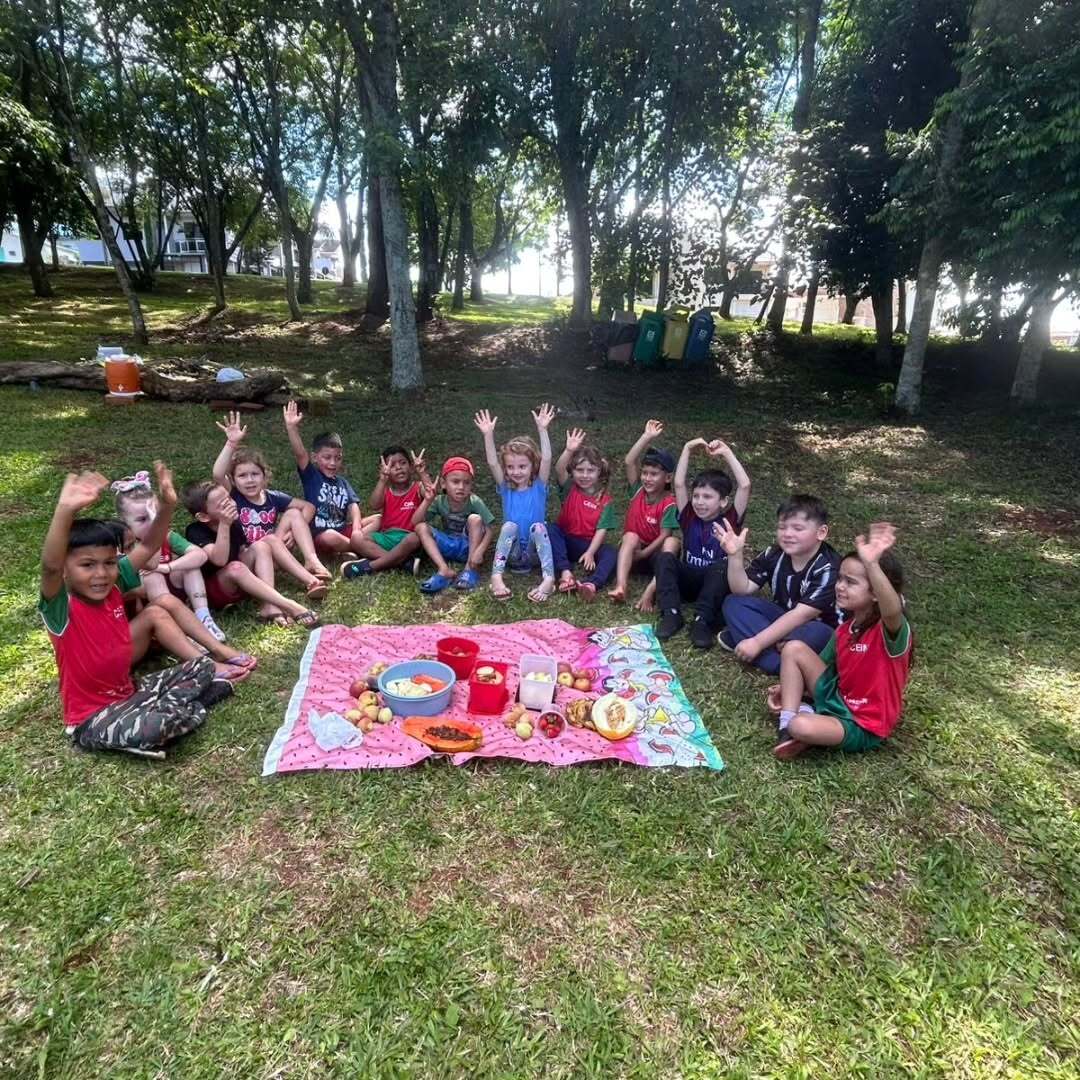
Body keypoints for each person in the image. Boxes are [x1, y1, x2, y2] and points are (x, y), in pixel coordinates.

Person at [38, 464, 249, 758]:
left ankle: (164, 705)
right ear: (65, 570)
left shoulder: (115, 584)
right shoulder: (61, 607)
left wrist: (167, 505)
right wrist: (65, 510)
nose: (101, 574)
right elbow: (49, 567)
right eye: (87, 565)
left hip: (132, 692)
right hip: (93, 718)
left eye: (109, 563)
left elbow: (149, 545)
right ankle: (184, 707)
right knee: (160, 725)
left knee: (203, 666)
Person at [770, 523, 911, 761]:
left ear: (876, 593)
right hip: (836, 698)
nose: (840, 587)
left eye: (851, 582)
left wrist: (872, 564)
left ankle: (803, 722)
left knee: (801, 725)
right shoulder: (844, 630)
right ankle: (786, 727)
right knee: (793, 649)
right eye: (839, 579)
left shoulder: (890, 630)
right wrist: (789, 689)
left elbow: (892, 610)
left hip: (861, 723)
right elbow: (821, 670)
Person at [718, 493, 840, 673]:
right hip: (783, 621)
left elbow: (801, 615)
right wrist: (735, 556)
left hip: (817, 628)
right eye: (782, 527)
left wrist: (757, 641)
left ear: (821, 532)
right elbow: (742, 589)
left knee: (818, 632)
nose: (788, 534)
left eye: (798, 528)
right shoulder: (774, 554)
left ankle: (772, 659)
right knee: (733, 603)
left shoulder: (828, 567)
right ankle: (783, 656)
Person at [213, 411, 329, 600]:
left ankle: (311, 560)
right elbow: (218, 474)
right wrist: (231, 443)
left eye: (255, 474)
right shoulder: (234, 496)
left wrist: (293, 534)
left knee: (293, 514)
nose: (250, 480)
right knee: (268, 541)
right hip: (249, 558)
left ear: (264, 476)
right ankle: (310, 581)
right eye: (242, 476)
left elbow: (309, 507)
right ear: (233, 480)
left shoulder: (272, 497)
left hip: (274, 554)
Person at [183, 480, 321, 629]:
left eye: (229, 499)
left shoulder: (234, 523)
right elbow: (219, 560)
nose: (231, 505)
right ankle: (289, 605)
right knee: (235, 567)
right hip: (214, 591)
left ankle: (269, 604)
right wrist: (224, 525)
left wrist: (263, 556)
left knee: (260, 545)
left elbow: (243, 550)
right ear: (204, 517)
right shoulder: (195, 531)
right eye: (223, 505)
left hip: (241, 581)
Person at [654, 437, 751, 647]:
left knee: (722, 566)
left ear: (723, 501)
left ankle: (702, 621)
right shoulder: (689, 516)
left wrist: (727, 452)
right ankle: (671, 613)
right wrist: (687, 448)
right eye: (696, 496)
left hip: (715, 586)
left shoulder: (730, 520)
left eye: (707, 497)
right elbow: (678, 484)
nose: (699, 502)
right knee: (664, 558)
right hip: (689, 582)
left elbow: (745, 486)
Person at [113, 471, 227, 642]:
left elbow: (200, 555)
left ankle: (203, 617)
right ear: (123, 521)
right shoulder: (123, 546)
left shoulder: (167, 536)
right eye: (142, 519)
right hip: (148, 608)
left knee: (190, 567)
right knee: (153, 576)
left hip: (173, 592)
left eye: (155, 515)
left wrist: (168, 567)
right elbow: (142, 571)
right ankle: (176, 629)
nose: (152, 523)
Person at [474, 404, 557, 602]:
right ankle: (496, 576)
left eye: (522, 466)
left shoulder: (539, 486)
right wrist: (488, 435)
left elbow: (547, 459)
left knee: (539, 527)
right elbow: (493, 462)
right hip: (512, 554)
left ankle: (549, 578)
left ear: (532, 466)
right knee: (509, 526)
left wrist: (542, 430)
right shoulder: (506, 488)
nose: (516, 471)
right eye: (510, 467)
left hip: (535, 554)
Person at [607, 419, 678, 609]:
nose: (647, 478)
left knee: (672, 542)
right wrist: (646, 437)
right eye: (645, 473)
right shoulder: (637, 490)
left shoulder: (670, 503)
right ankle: (621, 586)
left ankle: (651, 591)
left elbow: (664, 535)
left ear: (668, 478)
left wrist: (645, 554)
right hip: (632, 554)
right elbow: (629, 461)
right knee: (630, 536)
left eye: (654, 474)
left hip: (655, 557)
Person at [281, 400, 364, 558]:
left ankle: (349, 547)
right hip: (321, 535)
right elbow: (300, 454)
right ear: (314, 457)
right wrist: (292, 428)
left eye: (337, 458)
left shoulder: (343, 483)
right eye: (327, 457)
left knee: (377, 520)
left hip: (342, 530)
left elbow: (353, 506)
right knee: (330, 537)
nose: (333, 463)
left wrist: (356, 529)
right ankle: (360, 548)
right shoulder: (312, 476)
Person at [548, 427, 617, 600]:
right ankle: (565, 573)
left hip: (587, 545)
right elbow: (559, 469)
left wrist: (591, 552)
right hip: (565, 541)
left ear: (599, 472)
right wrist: (569, 450)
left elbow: (601, 530)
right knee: (551, 529)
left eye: (590, 470)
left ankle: (591, 584)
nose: (585, 475)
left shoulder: (605, 500)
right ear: (572, 472)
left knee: (611, 553)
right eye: (580, 470)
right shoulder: (569, 489)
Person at [412, 456, 495, 593]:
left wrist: (479, 552)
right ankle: (444, 569)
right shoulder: (439, 501)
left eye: (466, 483)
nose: (461, 487)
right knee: (421, 527)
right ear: (443, 484)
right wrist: (427, 501)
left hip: (469, 548)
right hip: (449, 545)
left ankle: (470, 569)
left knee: (474, 519)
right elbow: (415, 522)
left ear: (471, 485)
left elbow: (490, 528)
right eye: (455, 482)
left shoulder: (474, 501)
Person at [341, 445, 426, 578]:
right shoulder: (386, 491)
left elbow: (430, 493)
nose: (398, 467)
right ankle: (402, 563)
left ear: (411, 467)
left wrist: (422, 473)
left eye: (403, 463)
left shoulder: (418, 487)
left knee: (415, 538)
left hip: (408, 538)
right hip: (387, 538)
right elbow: (374, 505)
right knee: (356, 538)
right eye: (392, 465)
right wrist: (382, 480)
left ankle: (371, 565)